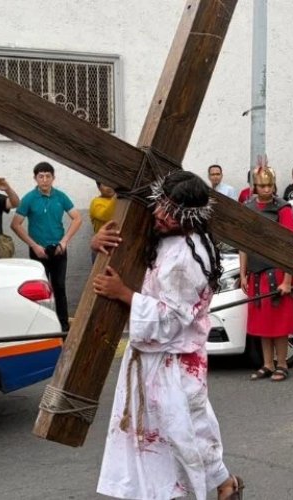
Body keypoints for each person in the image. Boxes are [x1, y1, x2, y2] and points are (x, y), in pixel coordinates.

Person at [91, 171, 244, 500]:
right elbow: (125, 246)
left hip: (176, 362)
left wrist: (123, 294)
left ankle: (223, 484)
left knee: (185, 433)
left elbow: (172, 319)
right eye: (160, 204)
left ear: (191, 217)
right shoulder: (162, 231)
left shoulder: (190, 257)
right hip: (147, 359)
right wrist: (98, 242)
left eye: (171, 211)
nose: (160, 214)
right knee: (149, 436)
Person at [241, 163, 293, 382]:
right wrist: (243, 274)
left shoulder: (282, 208)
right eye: (262, 186)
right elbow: (244, 243)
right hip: (256, 274)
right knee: (262, 322)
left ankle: (282, 364)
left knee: (278, 322)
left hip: (277, 273)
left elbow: (289, 245)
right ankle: (267, 364)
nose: (266, 189)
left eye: (269, 186)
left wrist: (287, 280)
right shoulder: (248, 207)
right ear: (255, 187)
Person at [11, 162, 82, 332]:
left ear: (53, 178)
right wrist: (34, 245)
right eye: (41, 176)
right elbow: (15, 224)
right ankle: (42, 327)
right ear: (35, 178)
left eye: (48, 176)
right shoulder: (29, 198)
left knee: (60, 287)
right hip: (38, 251)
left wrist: (64, 241)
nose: (44, 180)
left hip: (58, 249)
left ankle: (64, 326)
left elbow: (77, 218)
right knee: (40, 289)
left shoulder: (60, 197)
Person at [89, 181, 117, 262]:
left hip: (116, 245)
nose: (109, 187)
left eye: (112, 183)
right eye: (105, 184)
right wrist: (118, 195)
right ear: (98, 187)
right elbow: (106, 215)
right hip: (101, 245)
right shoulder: (96, 202)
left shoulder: (121, 200)